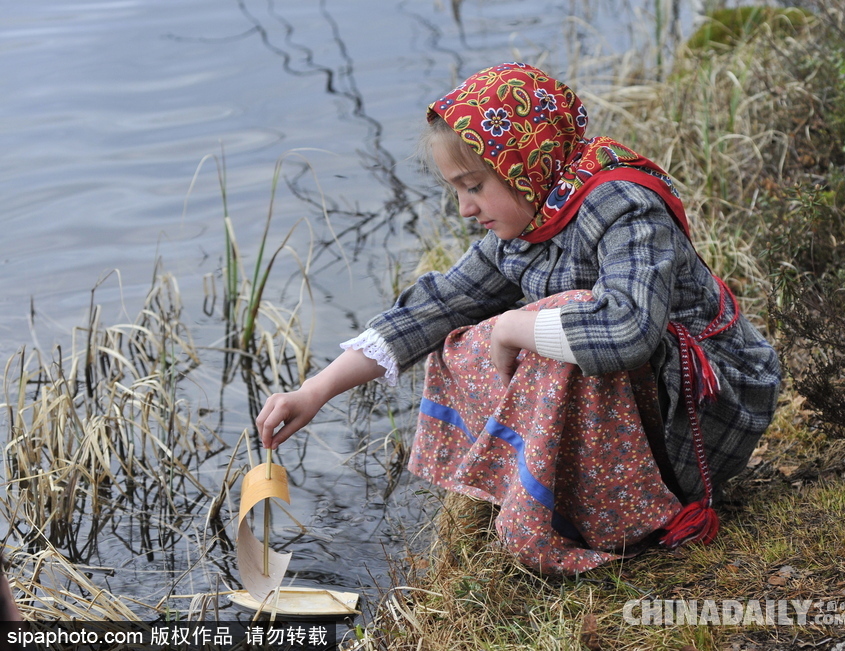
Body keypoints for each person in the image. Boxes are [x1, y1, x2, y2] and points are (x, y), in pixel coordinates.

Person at [256, 62, 781, 574]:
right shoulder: (533, 222)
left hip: (707, 408)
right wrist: (314, 391)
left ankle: (629, 516)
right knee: (458, 338)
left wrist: (510, 327)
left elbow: (627, 331)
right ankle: (568, 495)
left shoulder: (624, 205)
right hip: (651, 403)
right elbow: (435, 305)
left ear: (524, 163)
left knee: (558, 319)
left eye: (475, 185)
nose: (465, 208)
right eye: (455, 189)